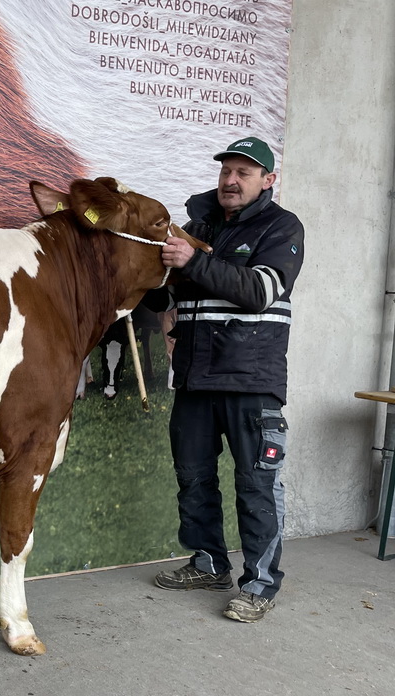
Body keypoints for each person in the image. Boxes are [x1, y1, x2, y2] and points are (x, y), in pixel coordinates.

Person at [151, 136, 304, 623]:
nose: (230, 181)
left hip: (250, 383)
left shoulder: (283, 228)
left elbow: (259, 290)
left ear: (267, 181)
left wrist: (192, 260)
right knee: (193, 479)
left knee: (256, 486)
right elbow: (171, 297)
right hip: (196, 379)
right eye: (226, 172)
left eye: (243, 172)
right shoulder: (199, 226)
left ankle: (259, 584)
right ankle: (208, 562)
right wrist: (153, 287)